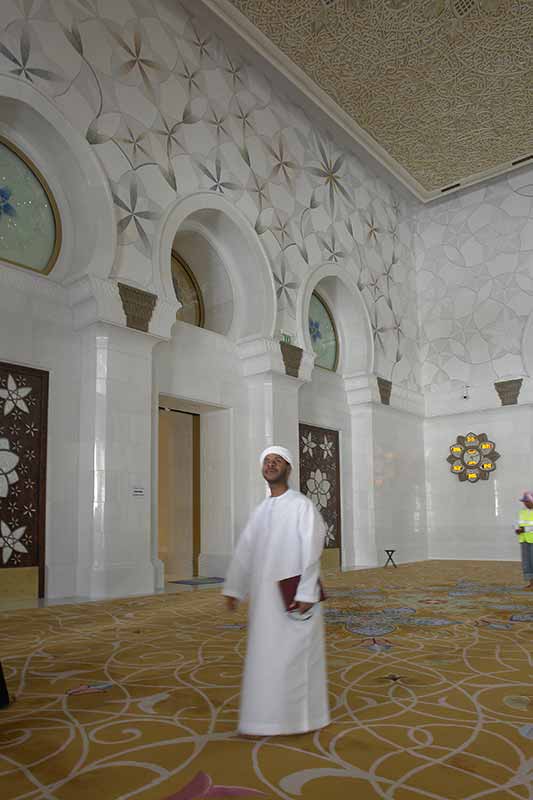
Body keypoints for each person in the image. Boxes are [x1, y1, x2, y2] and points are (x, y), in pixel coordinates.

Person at [223, 445, 330, 737]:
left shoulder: (301, 505)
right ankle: (265, 719)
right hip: (265, 601)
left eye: (277, 461)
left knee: (294, 658)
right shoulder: (260, 510)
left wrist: (307, 592)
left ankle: (303, 719)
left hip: (294, 598)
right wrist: (235, 587)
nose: (271, 465)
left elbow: (312, 549)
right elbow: (245, 551)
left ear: (288, 468)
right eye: (267, 461)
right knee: (266, 659)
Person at [516, 491, 533, 590]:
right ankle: (531, 583)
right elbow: (517, 523)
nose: (525, 503)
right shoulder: (522, 512)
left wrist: (524, 529)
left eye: (527, 501)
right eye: (524, 501)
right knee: (527, 563)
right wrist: (516, 529)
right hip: (524, 540)